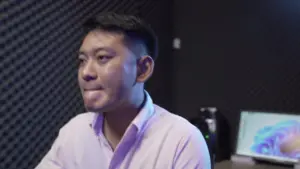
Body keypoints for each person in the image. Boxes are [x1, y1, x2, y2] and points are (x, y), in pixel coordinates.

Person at [35, 12, 211, 169]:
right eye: (82, 60)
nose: (86, 72)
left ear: (142, 69)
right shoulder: (74, 132)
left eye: (102, 58)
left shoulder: (183, 141)